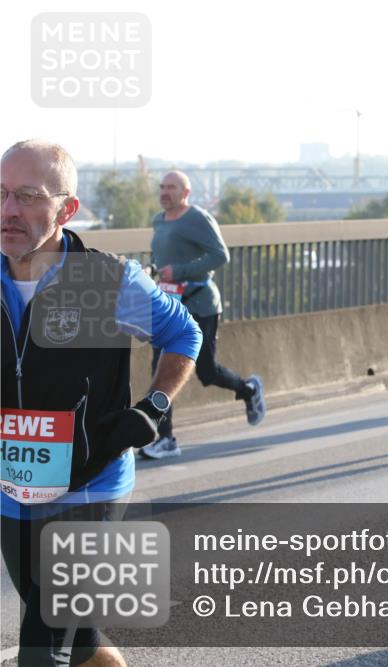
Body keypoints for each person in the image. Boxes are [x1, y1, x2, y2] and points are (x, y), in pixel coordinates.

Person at [1, 139, 202, 666]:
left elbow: (184, 334)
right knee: (83, 642)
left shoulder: (108, 280)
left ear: (67, 209)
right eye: (0, 194)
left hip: (89, 487)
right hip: (12, 490)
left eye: (26, 196)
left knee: (41, 655)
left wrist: (154, 406)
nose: (8, 211)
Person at [139, 170, 266, 459]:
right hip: (169, 306)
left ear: (185, 192)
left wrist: (181, 272)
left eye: (171, 187)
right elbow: (162, 259)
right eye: (161, 187)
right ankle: (166, 438)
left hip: (200, 305)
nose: (164, 192)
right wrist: (152, 270)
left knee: (206, 372)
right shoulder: (159, 221)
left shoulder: (197, 218)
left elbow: (220, 255)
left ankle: (248, 389)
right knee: (160, 370)